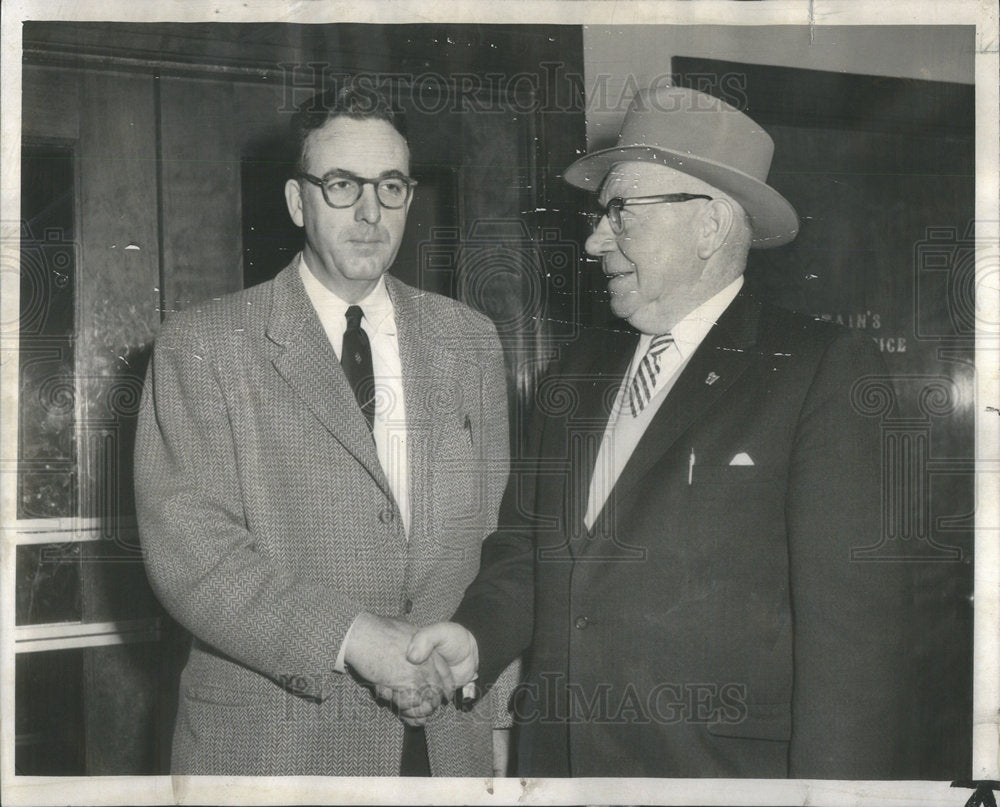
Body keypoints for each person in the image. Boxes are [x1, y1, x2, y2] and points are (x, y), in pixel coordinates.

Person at [407, 86, 912, 778]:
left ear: (709, 226)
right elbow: (529, 549)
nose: (593, 240)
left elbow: (854, 651)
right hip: (559, 772)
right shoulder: (573, 372)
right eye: (598, 214)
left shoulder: (817, 371)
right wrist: (476, 634)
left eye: (621, 213)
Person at [134, 82, 509, 776]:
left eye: (390, 186)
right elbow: (194, 556)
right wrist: (354, 638)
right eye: (342, 185)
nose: (370, 212)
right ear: (296, 201)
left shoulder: (471, 341)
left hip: (447, 743)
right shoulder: (203, 345)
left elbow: (497, 540)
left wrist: (494, 700)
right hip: (275, 751)